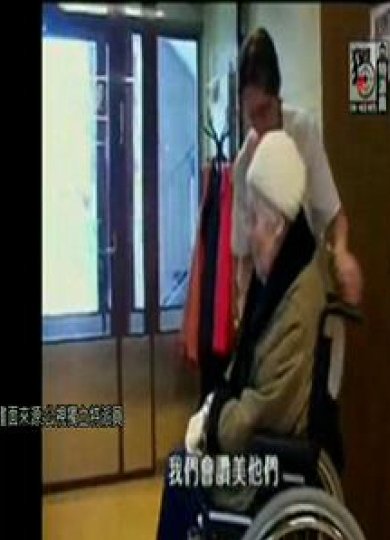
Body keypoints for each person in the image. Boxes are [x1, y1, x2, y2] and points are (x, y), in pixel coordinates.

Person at [156, 131, 327, 538]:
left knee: (182, 475)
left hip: (266, 468)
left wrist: (214, 421)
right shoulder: (282, 281)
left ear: (278, 225)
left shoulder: (298, 302)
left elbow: (261, 411)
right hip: (258, 448)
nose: (247, 232)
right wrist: (214, 408)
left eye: (253, 220)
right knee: (181, 465)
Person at [233, 27, 363, 320]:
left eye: (264, 111)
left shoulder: (303, 132)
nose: (258, 125)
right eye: (251, 116)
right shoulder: (244, 165)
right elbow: (244, 257)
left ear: (278, 97)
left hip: (305, 283)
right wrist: (242, 308)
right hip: (268, 296)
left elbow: (335, 215)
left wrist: (342, 254)